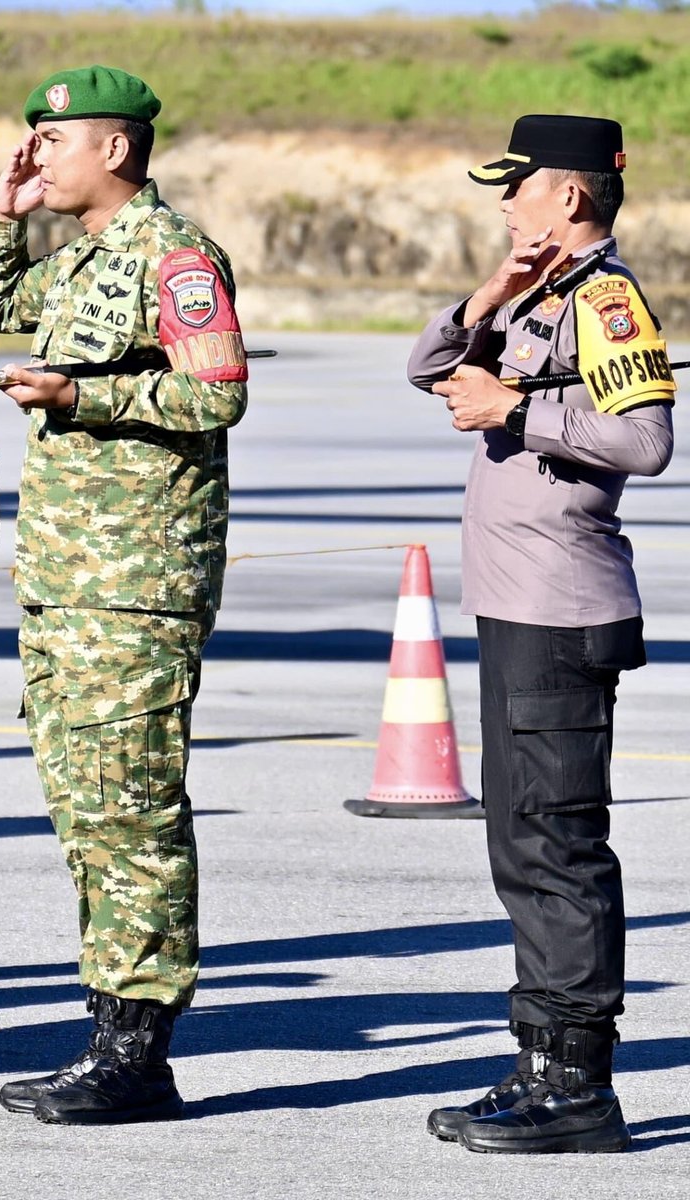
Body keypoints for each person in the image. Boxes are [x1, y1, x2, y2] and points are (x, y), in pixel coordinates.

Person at [0, 66, 248, 1125]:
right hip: (71, 587)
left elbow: (216, 389)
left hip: (136, 583)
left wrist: (83, 392)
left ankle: (140, 1051)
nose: (38, 157)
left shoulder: (173, 255)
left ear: (115, 150)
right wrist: (4, 215)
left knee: (130, 810)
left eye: (54, 142)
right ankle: (108, 1036)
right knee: (87, 810)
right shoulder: (85, 255)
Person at [408, 115, 674, 1156]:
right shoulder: (537, 294)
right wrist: (488, 296)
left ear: (567, 195)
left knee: (554, 847)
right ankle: (539, 1063)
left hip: (562, 615)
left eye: (514, 188)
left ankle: (578, 1085)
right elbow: (428, 368)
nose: (503, 203)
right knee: (520, 843)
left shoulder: (605, 301)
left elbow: (644, 440)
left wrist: (513, 409)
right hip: (520, 609)